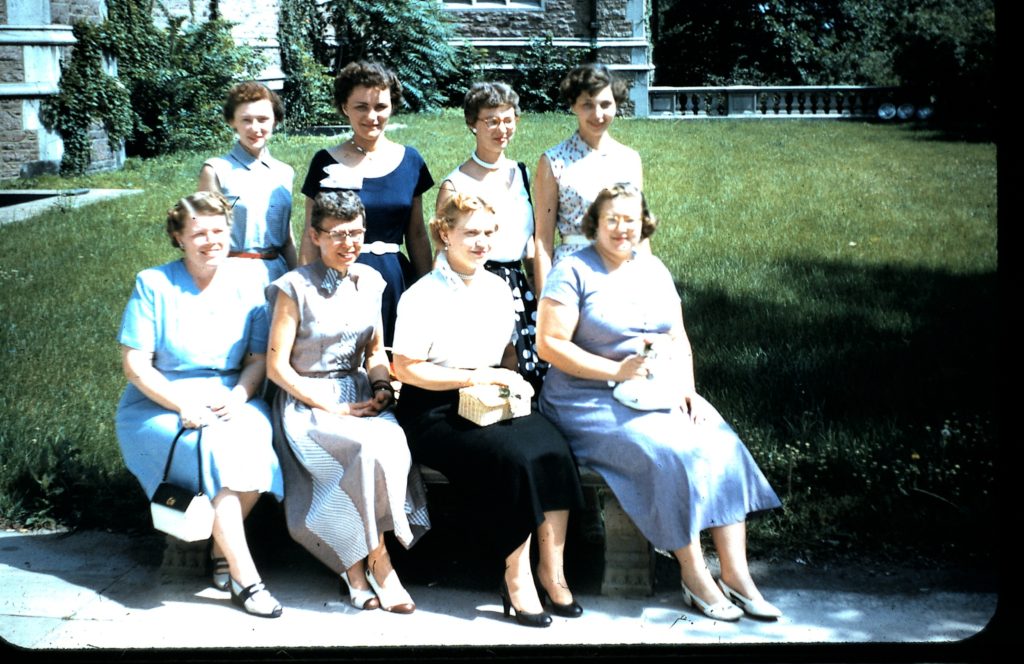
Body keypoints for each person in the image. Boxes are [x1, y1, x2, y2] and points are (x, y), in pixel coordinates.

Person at [536, 183, 783, 622]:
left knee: (717, 439)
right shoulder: (572, 270)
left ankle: (736, 574)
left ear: (643, 224)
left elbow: (679, 337)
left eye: (629, 219)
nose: (621, 228)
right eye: (611, 219)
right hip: (586, 399)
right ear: (594, 223)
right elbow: (550, 345)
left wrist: (687, 389)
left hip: (651, 390)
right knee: (668, 452)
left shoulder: (653, 270)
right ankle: (693, 573)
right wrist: (616, 370)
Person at [392, 193, 585, 628]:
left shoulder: (499, 287)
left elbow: (506, 355)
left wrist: (510, 379)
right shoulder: (423, 294)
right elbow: (404, 368)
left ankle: (552, 572)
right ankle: (515, 578)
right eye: (471, 232)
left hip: (489, 397)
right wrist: (471, 378)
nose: (482, 242)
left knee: (553, 449)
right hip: (433, 408)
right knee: (512, 461)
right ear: (444, 234)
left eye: (489, 233)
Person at [115, 192, 285, 618]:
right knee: (213, 449)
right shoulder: (153, 283)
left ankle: (219, 548)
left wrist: (240, 395)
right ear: (179, 238)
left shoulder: (250, 283)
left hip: (229, 396)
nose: (210, 241)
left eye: (218, 231)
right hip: (158, 402)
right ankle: (245, 577)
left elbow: (256, 360)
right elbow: (136, 366)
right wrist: (183, 403)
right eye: (198, 233)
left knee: (251, 438)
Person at [266, 191, 429, 614]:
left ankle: (353, 571)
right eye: (337, 234)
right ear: (316, 237)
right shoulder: (293, 287)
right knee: (362, 449)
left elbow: (375, 352)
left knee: (390, 444)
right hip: (306, 403)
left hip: (358, 395)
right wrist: (329, 406)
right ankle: (379, 564)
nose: (348, 243)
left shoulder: (370, 281)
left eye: (356, 232)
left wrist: (381, 388)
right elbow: (276, 368)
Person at [298, 60, 433, 348]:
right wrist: (306, 291)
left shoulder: (410, 161)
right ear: (344, 107)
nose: (372, 116)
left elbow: (418, 234)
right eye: (361, 106)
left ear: (392, 107)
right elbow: (310, 236)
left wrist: (429, 288)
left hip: (393, 279)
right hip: (338, 277)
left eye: (380, 107)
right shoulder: (325, 162)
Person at [435, 81, 545, 391]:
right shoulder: (455, 184)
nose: (502, 128)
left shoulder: (521, 173)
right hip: (474, 285)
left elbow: (531, 246)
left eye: (508, 119)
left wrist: (542, 295)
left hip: (518, 288)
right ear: (473, 124)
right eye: (491, 121)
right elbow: (442, 253)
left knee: (528, 373)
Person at [532, 63, 644, 297]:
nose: (598, 115)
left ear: (617, 104)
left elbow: (639, 233)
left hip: (622, 271)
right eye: (587, 105)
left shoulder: (630, 159)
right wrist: (545, 302)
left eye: (605, 104)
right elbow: (543, 241)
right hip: (573, 274)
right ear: (573, 106)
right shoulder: (554, 160)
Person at [198, 81, 296, 286]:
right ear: (232, 122)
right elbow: (203, 238)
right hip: (231, 275)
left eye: (262, 119)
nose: (255, 128)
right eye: (246, 120)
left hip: (277, 274)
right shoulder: (216, 170)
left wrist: (298, 283)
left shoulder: (284, 172)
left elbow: (287, 238)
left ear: (275, 121)